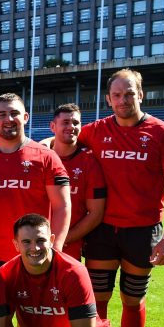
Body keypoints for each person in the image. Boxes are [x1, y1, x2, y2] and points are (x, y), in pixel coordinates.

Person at [78, 69, 164, 327]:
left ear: (141, 94)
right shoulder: (93, 132)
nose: (123, 100)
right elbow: (61, 143)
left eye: (129, 93)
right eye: (117, 95)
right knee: (97, 301)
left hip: (142, 231)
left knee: (132, 298)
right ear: (108, 98)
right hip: (101, 230)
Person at [0, 93, 70, 268]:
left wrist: (54, 248)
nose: (9, 119)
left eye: (14, 113)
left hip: (32, 254)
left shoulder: (47, 157)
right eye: (2, 114)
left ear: (25, 117)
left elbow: (62, 206)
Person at [44, 104, 106, 260]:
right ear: (53, 126)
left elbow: (96, 213)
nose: (71, 127)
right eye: (65, 122)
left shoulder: (89, 162)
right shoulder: (40, 157)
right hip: (33, 243)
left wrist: (62, 239)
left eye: (76, 123)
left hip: (69, 247)